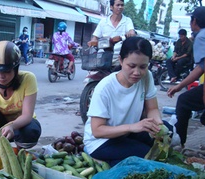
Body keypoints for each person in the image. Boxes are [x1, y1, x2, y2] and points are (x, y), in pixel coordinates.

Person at [83, 36, 168, 167]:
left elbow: (152, 109)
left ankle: (116, 160)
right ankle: (101, 160)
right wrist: (132, 127)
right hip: (101, 141)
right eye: (132, 66)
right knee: (146, 155)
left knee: (164, 136)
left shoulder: (147, 77)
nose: (137, 72)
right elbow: (97, 130)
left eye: (143, 67)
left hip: (126, 133)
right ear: (121, 61)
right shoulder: (105, 88)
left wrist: (158, 126)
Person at [167, 6, 205, 148]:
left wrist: (179, 86)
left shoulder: (201, 36)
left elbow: (202, 67)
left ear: (194, 21)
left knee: (184, 101)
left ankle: (179, 143)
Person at [87, 0, 135, 66]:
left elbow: (131, 31)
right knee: (91, 75)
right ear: (111, 7)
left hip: (120, 57)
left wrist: (131, 33)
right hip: (103, 55)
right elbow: (95, 37)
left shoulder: (127, 21)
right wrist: (93, 42)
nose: (120, 7)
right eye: (118, 5)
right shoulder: (103, 22)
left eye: (122, 5)